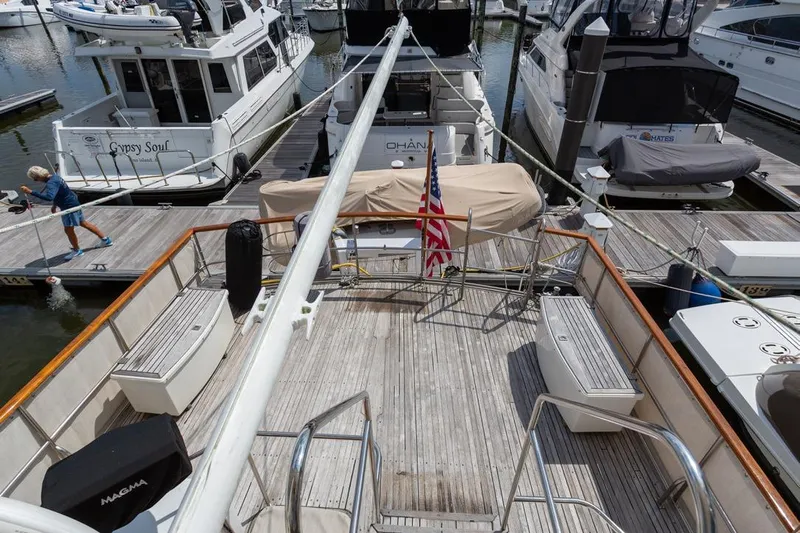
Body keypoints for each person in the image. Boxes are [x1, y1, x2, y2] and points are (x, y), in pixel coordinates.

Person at [21, 166, 113, 261]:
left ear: (38, 176)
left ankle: (77, 250)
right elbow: (60, 192)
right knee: (83, 223)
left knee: (68, 230)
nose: (36, 181)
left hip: (68, 208)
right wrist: (54, 205)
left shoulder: (51, 183)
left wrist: (30, 192)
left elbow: (49, 197)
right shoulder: (55, 177)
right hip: (74, 202)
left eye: (35, 179)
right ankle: (106, 240)